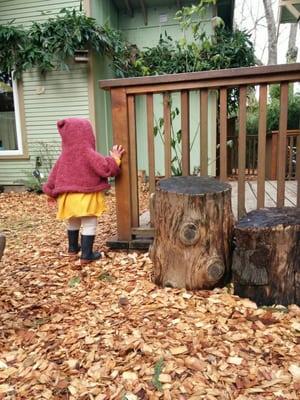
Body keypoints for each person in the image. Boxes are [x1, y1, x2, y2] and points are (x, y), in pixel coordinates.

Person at [43, 117, 124, 264]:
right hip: (85, 197)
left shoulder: (64, 155)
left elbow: (53, 176)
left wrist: (50, 193)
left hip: (67, 199)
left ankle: (73, 248)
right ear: (87, 134)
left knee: (73, 222)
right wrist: (115, 159)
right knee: (89, 223)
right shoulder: (87, 152)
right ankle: (87, 255)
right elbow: (105, 168)